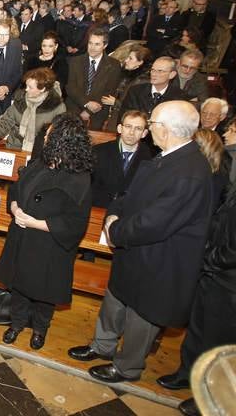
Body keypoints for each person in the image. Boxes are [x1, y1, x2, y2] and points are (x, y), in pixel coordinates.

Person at [69, 101, 213, 384]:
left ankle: (127, 367)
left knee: (141, 315)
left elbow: (155, 222)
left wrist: (116, 230)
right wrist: (113, 215)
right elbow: (130, 195)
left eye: (153, 124)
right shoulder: (166, 157)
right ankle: (103, 346)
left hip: (158, 259)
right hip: (135, 251)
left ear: (168, 129)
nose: (148, 131)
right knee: (116, 299)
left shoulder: (190, 171)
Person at [0, 113, 94, 350]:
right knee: (18, 284)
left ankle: (40, 329)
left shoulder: (80, 178)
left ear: (64, 141)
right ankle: (16, 323)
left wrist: (33, 222)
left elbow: (74, 223)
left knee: (44, 292)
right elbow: (17, 189)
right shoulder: (40, 161)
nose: (45, 137)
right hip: (22, 237)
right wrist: (16, 208)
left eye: (50, 135)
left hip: (50, 245)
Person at [156, 185, 236, 416]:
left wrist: (206, 259)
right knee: (198, 330)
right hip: (213, 275)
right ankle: (187, 374)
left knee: (218, 342)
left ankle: (211, 395)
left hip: (228, 282)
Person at [0, 67, 65, 151]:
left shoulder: (57, 107)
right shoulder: (20, 100)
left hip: (39, 151)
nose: (26, 89)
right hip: (14, 147)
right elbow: (5, 122)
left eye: (30, 87)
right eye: (26, 85)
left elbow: (58, 134)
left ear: (42, 89)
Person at [91, 110, 151, 208]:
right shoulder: (98, 151)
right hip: (98, 208)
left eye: (138, 128)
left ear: (144, 133)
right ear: (119, 128)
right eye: (128, 126)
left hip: (129, 212)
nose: (132, 132)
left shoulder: (151, 159)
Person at [65, 28, 121, 130]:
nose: (92, 48)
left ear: (105, 45)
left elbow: (109, 91)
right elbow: (70, 87)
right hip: (75, 107)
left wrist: (89, 111)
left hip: (98, 110)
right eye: (90, 43)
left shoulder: (114, 65)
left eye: (97, 44)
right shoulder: (75, 61)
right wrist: (86, 104)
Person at [119, 56, 188, 122]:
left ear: (172, 75)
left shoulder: (179, 98)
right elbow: (124, 116)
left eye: (160, 71)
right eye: (153, 70)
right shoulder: (135, 91)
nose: (154, 74)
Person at [101, 45, 151, 132]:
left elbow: (137, 108)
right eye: (128, 57)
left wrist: (115, 102)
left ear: (140, 62)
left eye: (131, 58)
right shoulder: (125, 75)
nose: (126, 60)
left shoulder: (142, 82)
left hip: (127, 122)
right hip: (115, 118)